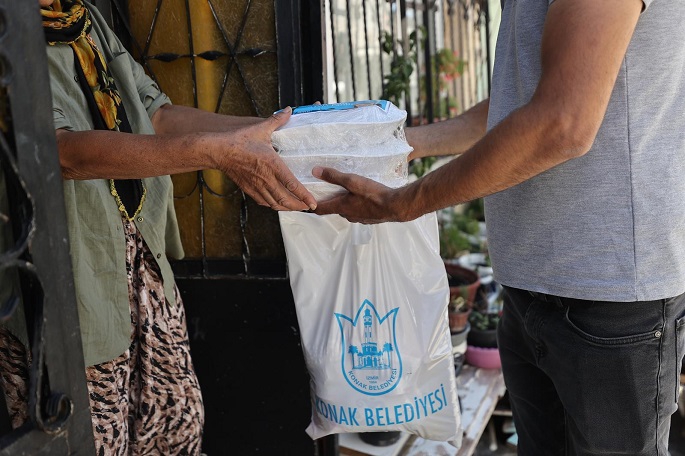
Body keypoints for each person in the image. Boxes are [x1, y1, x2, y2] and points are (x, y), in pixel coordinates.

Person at [313, 0, 685, 454]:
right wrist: (400, 146)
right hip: (531, 288)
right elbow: (521, 103)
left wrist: (405, 202)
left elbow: (562, 122)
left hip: (610, 298)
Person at [0, 0, 316, 454]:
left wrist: (269, 134)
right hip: (68, 277)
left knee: (175, 427)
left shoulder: (81, 18)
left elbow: (156, 112)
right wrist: (216, 153)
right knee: (91, 441)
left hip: (139, 265)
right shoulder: (10, 31)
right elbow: (64, 152)